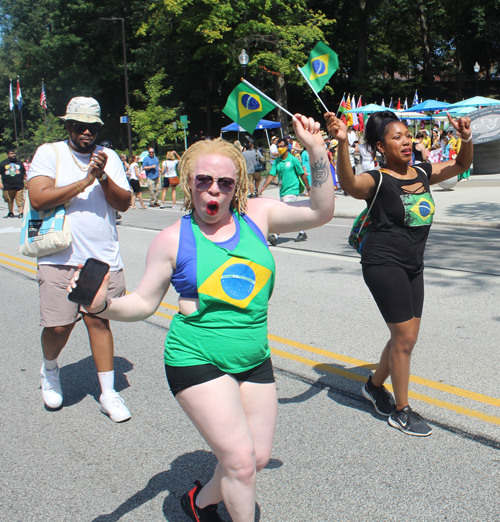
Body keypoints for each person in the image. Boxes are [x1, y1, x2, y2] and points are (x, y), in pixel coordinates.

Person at [70, 114, 334, 521]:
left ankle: (199, 502)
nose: (214, 190)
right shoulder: (173, 239)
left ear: (237, 188)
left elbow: (321, 211)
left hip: (253, 355)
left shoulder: (259, 216)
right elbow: (142, 304)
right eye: (204, 180)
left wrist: (317, 149)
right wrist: (102, 305)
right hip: (196, 357)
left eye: (225, 183)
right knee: (242, 464)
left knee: (255, 458)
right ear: (189, 181)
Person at [325, 110, 472, 437]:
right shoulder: (376, 179)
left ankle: (374, 387)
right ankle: (402, 411)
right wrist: (341, 143)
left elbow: (460, 166)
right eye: (397, 137)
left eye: (407, 135)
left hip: (413, 264)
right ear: (380, 145)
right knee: (405, 338)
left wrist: (466, 138)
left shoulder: (421, 172)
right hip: (382, 263)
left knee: (404, 337)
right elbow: (349, 184)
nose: (406, 142)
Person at [27, 96, 132, 422]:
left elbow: (124, 202)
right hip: (60, 256)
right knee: (58, 327)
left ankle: (108, 393)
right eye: (80, 125)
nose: (87, 132)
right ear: (69, 126)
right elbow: (38, 197)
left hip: (100, 259)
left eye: (93, 127)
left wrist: (101, 177)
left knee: (98, 321)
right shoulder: (50, 152)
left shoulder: (109, 157)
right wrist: (85, 180)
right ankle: (49, 369)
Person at [259, 138, 311, 245]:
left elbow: (301, 174)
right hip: (283, 191)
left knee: (283, 213)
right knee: (291, 214)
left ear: (287, 147)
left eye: (282, 146)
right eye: (278, 146)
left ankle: (275, 235)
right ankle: (302, 232)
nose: (279, 148)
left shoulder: (293, 160)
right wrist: (264, 186)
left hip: (293, 190)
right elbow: (272, 174)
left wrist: (308, 188)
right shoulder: (277, 161)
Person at [0, 147, 26, 218]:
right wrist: (0, 183)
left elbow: (24, 173)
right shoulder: (3, 163)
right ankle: (10, 212)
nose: (13, 155)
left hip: (19, 185)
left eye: (14, 153)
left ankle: (21, 213)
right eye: (11, 153)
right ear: (8, 155)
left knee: (20, 200)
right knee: (9, 200)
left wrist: (26, 182)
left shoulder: (19, 162)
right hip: (8, 186)